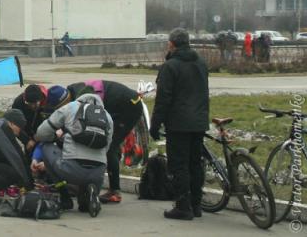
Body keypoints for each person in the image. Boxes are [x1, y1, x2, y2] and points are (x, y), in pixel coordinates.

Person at [150, 28, 209, 220]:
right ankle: (196, 205)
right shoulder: (200, 62)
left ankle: (183, 207)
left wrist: (155, 124)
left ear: (172, 44)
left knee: (179, 165)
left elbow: (163, 99)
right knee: (195, 163)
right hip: (199, 121)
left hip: (178, 123)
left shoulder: (170, 66)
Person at [61, 80, 141, 204]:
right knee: (109, 142)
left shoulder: (80, 98)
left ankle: (115, 191)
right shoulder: (74, 90)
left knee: (109, 148)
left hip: (129, 107)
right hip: (120, 105)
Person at [35, 92, 113, 215]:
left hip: (71, 170)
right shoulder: (107, 117)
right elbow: (107, 147)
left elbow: (41, 133)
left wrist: (55, 139)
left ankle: (64, 197)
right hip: (98, 172)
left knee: (45, 146)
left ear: (80, 98)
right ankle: (90, 193)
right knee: (83, 207)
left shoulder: (71, 107)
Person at [10, 84, 47, 148]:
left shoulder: (48, 100)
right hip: (28, 133)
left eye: (35, 103)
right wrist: (26, 141)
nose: (32, 106)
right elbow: (15, 125)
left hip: (45, 133)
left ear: (40, 99)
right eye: (29, 103)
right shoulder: (18, 103)